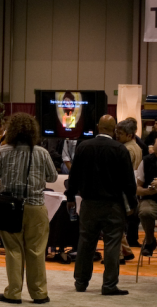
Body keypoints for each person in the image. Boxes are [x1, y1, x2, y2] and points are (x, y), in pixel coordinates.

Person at [0, 113, 57, 304]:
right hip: (36, 206)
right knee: (36, 249)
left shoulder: (3, 151)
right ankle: (39, 293)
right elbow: (52, 178)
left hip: (10, 207)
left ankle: (13, 292)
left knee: (13, 249)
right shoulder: (42, 152)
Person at [66, 115, 137, 296]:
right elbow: (129, 182)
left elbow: (73, 176)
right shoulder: (120, 149)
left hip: (89, 204)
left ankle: (81, 282)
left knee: (85, 242)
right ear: (114, 130)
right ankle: (109, 285)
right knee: (112, 243)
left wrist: (70, 197)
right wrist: (132, 204)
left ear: (98, 127)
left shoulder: (83, 147)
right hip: (113, 205)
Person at [115, 118, 142, 248]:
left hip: (125, 187)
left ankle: (124, 248)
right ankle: (129, 244)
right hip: (133, 186)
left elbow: (122, 172)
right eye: (117, 132)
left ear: (129, 135)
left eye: (120, 133)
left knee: (121, 220)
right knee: (131, 219)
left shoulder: (126, 150)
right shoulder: (137, 147)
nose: (117, 135)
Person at [134, 147, 157, 257]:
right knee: (145, 212)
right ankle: (150, 241)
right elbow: (137, 188)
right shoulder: (146, 161)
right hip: (150, 198)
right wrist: (148, 191)